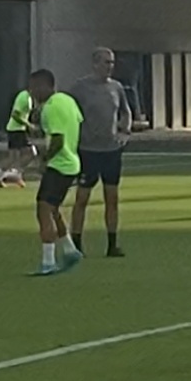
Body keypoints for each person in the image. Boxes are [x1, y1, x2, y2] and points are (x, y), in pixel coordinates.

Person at [67, 47, 133, 257]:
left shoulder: (117, 87)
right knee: (82, 198)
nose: (110, 67)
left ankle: (112, 244)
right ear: (95, 64)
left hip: (111, 150)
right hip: (88, 150)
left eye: (112, 62)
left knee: (112, 197)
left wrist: (125, 132)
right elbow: (68, 110)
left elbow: (126, 112)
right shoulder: (80, 88)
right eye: (106, 62)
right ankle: (76, 244)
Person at [27, 69, 85, 276]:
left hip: (60, 165)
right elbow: (76, 123)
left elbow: (58, 141)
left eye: (34, 87)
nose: (31, 92)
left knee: (43, 208)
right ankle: (70, 250)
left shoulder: (51, 109)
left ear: (45, 86)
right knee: (53, 209)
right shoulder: (68, 101)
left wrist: (44, 160)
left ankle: (48, 261)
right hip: (72, 163)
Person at [5, 87, 36, 182]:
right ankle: (12, 173)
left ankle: (7, 174)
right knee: (29, 153)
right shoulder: (23, 97)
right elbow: (15, 115)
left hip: (19, 130)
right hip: (16, 130)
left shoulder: (30, 98)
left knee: (15, 156)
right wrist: (28, 125)